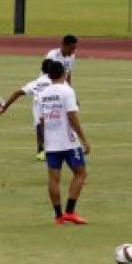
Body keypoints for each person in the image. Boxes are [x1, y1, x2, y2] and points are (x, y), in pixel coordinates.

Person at [40, 60, 91, 225]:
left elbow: (41, 120)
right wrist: (83, 139)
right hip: (68, 142)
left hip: (51, 142)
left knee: (53, 179)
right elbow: (72, 116)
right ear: (64, 73)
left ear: (49, 75)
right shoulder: (67, 91)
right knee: (81, 173)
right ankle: (69, 211)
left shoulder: (44, 93)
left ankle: (58, 216)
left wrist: (43, 141)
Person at [0, 59, 54, 160]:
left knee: (39, 123)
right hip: (54, 111)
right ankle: (46, 151)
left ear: (42, 69)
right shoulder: (56, 83)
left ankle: (41, 151)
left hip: (40, 111)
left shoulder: (36, 83)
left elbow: (16, 93)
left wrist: (4, 108)